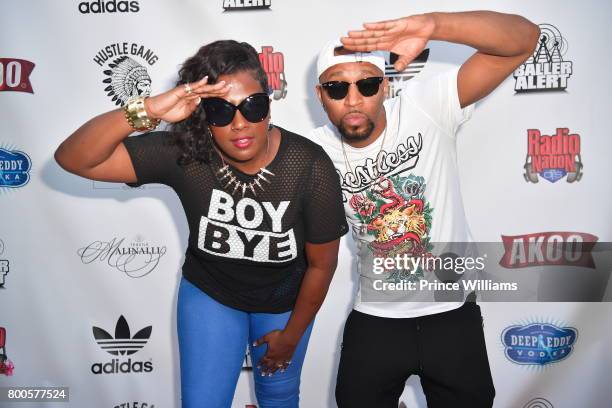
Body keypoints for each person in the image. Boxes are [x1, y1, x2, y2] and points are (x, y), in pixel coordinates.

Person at [55, 40, 348, 408]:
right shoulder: (187, 154)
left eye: (252, 106)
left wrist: (291, 335)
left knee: (279, 397)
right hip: (211, 295)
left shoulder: (309, 165)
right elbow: (74, 159)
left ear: (269, 106)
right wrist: (149, 109)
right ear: (203, 116)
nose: (239, 124)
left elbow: (323, 264)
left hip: (283, 302)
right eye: (220, 111)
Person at [308, 11, 540, 408]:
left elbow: (524, 39)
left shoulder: (426, 109)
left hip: (452, 317)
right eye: (336, 87)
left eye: (366, 84)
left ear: (384, 86)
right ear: (320, 94)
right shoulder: (311, 155)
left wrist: (435, 25)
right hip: (375, 321)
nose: (353, 99)